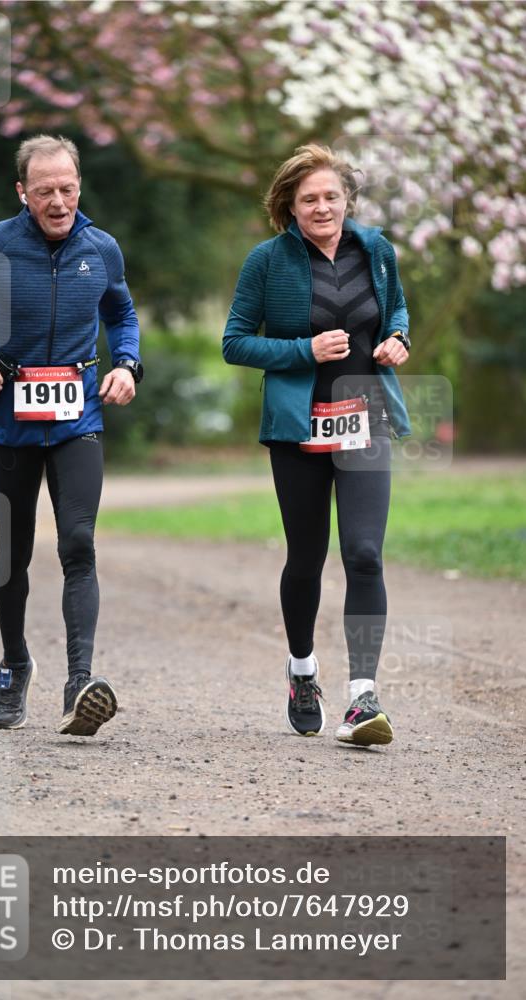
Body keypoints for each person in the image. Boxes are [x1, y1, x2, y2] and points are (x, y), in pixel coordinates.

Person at [0, 134, 142, 737]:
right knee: (11, 558)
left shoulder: (102, 248)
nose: (58, 201)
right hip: (11, 425)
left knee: (79, 544)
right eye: (44, 191)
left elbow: (122, 313)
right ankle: (15, 665)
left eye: (67, 188)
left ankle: (79, 683)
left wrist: (127, 364)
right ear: (22, 192)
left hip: (77, 421)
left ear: (79, 186)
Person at [222, 144, 411, 747]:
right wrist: (304, 350)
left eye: (332, 196)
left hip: (365, 419)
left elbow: (396, 311)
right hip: (298, 427)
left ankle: (363, 696)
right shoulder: (267, 262)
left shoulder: (376, 250)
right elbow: (234, 342)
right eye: (309, 199)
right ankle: (302, 671)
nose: (322, 207)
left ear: (347, 199)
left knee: (365, 553)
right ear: (290, 206)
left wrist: (398, 338)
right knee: (306, 558)